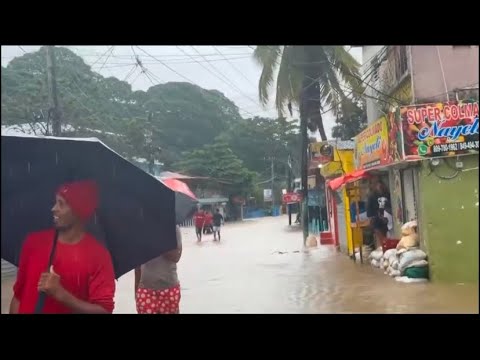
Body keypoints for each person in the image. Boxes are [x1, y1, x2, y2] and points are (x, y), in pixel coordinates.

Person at [9, 180, 116, 314]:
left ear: (79, 210)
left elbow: (104, 310)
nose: (54, 208)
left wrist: (61, 295)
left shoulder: (99, 255)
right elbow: (19, 296)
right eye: (55, 202)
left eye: (61, 203)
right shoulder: (34, 242)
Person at [134, 225, 182, 314]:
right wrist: (136, 293)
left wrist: (158, 240)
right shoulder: (141, 230)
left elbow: (176, 257)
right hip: (145, 289)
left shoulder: (174, 229)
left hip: (169, 288)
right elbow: (137, 265)